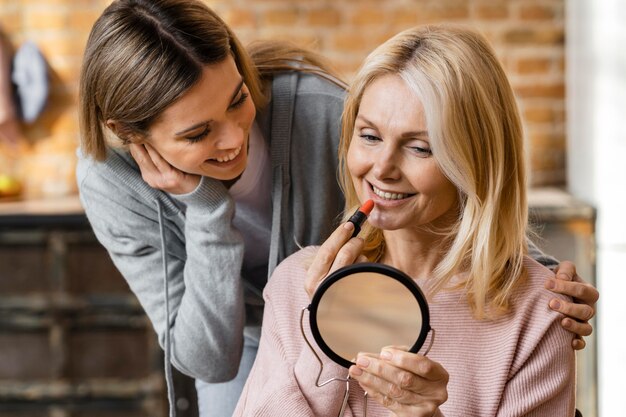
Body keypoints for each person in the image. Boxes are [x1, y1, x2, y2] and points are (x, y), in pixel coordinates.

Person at [76, 1, 596, 415]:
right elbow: (209, 359)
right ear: (130, 136)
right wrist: (206, 206)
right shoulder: (111, 185)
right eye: (197, 133)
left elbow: (460, 183)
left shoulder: (321, 112)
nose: (235, 139)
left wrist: (531, 285)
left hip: (363, 296)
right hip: (284, 320)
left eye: (237, 99)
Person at [234, 25, 583, 416]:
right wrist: (326, 331)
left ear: (475, 164)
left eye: (419, 147)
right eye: (369, 136)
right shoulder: (296, 285)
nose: (381, 168)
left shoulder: (540, 312)